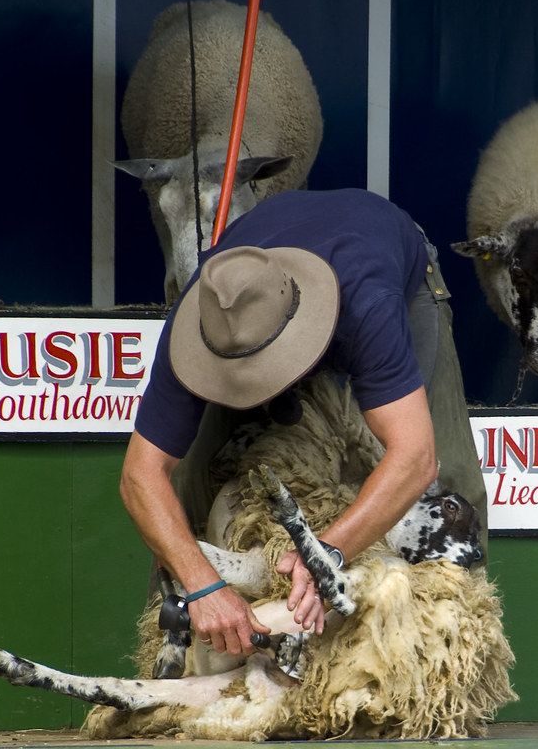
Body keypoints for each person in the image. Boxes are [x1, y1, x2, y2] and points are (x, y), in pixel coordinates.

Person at [119, 187, 486, 659]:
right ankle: (172, 655)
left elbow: (415, 458)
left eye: (266, 366)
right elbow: (140, 476)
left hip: (378, 262)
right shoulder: (205, 314)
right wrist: (201, 585)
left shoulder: (368, 303)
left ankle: (452, 668)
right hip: (262, 295)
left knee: (448, 488)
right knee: (192, 478)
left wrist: (323, 555)